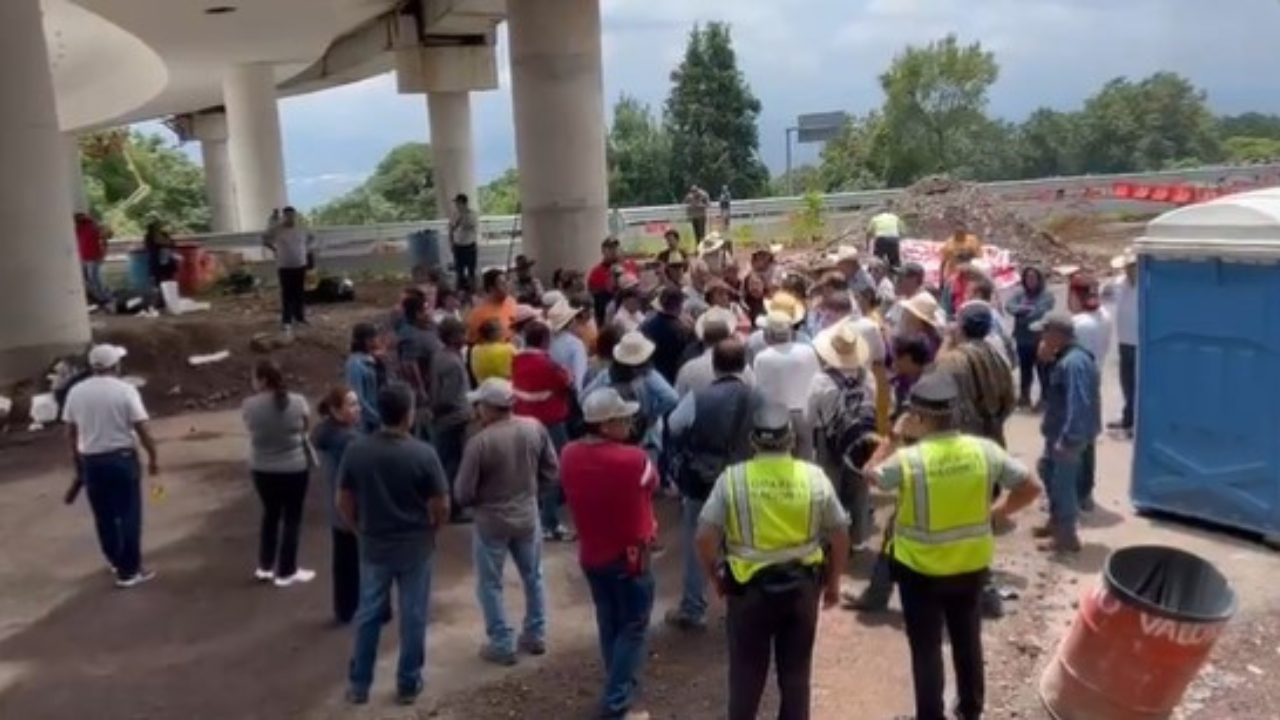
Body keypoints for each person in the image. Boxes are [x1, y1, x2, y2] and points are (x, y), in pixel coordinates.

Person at [863, 372, 1041, 720]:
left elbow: (870, 475)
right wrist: (997, 513)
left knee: (926, 649)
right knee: (967, 640)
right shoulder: (984, 451)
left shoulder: (909, 460)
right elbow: (1031, 486)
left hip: (919, 572)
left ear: (918, 417)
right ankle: (970, 711)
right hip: (970, 567)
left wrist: (892, 438)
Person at [696, 403, 851, 720]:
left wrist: (716, 576)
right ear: (791, 440)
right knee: (796, 675)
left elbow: (704, 536)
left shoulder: (732, 479)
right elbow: (839, 533)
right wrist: (833, 581)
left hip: (747, 592)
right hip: (802, 589)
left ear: (752, 441)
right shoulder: (814, 477)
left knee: (746, 676)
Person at [338, 384, 451, 706]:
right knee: (413, 614)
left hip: (374, 546)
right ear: (408, 414)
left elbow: (343, 499)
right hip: (415, 546)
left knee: (369, 613)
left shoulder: (357, 450)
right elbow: (442, 503)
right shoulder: (423, 453)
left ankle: (359, 685)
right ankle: (408, 682)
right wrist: (434, 529)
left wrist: (358, 529)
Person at [561, 388, 659, 720]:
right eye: (622, 418)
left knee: (610, 624)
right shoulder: (633, 459)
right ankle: (616, 704)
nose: (629, 423)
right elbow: (653, 482)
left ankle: (621, 694)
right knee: (633, 627)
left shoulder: (569, 454)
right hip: (630, 558)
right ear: (605, 425)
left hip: (592, 556)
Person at [456, 378, 557, 666]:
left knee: (490, 584)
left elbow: (463, 493)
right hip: (527, 514)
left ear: (489, 407)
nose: (477, 409)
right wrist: (532, 493)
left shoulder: (480, 442)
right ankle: (536, 634)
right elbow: (552, 470)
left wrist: (481, 502)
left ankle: (502, 642)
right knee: (533, 576)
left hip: (491, 521)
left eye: (479, 404)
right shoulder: (534, 427)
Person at [665, 338, 762, 631]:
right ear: (744, 366)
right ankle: (741, 607)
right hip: (746, 480)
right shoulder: (760, 397)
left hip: (704, 479)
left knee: (697, 541)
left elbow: (674, 425)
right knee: (743, 544)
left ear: (715, 365)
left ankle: (693, 608)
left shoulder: (698, 397)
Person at [63, 344, 160, 588]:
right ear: (115, 365)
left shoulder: (76, 392)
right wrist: (153, 457)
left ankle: (116, 561)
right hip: (122, 459)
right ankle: (129, 571)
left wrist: (77, 462)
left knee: (104, 516)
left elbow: (70, 431)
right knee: (129, 515)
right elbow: (142, 427)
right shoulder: (125, 390)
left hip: (92, 462)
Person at [241, 360, 315, 587]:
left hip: (262, 469)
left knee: (270, 515)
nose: (252, 382)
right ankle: (286, 571)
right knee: (292, 518)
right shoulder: (298, 401)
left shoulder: (248, 405)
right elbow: (305, 428)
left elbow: (250, 428)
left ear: (263, 380)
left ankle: (265, 567)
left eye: (254, 378)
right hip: (295, 467)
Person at [1032, 312, 1102, 550]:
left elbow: (1078, 402)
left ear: (1056, 334)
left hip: (1067, 435)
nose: (1041, 338)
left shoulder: (1073, 362)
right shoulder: (1067, 358)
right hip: (1058, 433)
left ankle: (1066, 537)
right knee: (1047, 470)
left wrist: (1070, 439)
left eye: (1044, 333)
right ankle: (1056, 523)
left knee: (1064, 485)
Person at [808, 319, 878, 546]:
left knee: (830, 490)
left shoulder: (821, 380)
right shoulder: (867, 377)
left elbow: (811, 415)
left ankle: (831, 540)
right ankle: (858, 539)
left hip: (829, 439)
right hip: (863, 438)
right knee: (859, 488)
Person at [512, 321, 576, 540]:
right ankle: (549, 523)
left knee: (530, 470)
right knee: (553, 471)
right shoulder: (549, 365)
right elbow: (568, 382)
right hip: (550, 424)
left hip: (522, 422)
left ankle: (532, 518)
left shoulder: (516, 360)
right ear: (545, 341)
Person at [312, 385, 363, 623]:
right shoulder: (348, 441)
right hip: (354, 509)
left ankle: (345, 608)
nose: (358, 409)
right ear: (335, 410)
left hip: (337, 509)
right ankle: (366, 606)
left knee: (344, 561)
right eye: (351, 404)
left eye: (357, 403)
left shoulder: (326, 433)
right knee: (361, 562)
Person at [934, 304, 1017, 448]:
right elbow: (1010, 399)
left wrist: (947, 339)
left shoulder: (955, 359)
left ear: (961, 327)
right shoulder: (996, 355)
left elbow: (936, 376)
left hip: (965, 441)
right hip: (992, 437)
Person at [753, 313, 821, 461]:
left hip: (776, 418)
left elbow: (758, 389)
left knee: (777, 460)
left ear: (769, 334)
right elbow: (817, 379)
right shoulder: (807, 351)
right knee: (805, 460)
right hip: (805, 414)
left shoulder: (762, 357)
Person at [430, 316, 474, 523]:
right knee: (453, 465)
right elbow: (447, 398)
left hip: (446, 419)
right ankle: (454, 509)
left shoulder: (441, 356)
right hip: (453, 420)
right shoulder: (452, 363)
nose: (466, 337)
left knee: (448, 462)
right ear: (452, 337)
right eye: (462, 333)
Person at [678, 309, 756, 396]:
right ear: (728, 337)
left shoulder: (688, 369)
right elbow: (753, 395)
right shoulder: (743, 369)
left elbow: (679, 397)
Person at [1007, 266, 1055, 409]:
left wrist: (1021, 313)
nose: (1030, 280)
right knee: (1025, 370)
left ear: (1039, 278)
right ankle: (1024, 397)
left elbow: (1040, 312)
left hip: (1040, 339)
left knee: (1043, 370)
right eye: (1027, 277)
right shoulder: (1019, 293)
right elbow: (1009, 306)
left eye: (1033, 277)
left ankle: (1045, 399)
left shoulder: (1047, 295)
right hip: (1022, 339)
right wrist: (1024, 310)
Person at [262, 206, 316, 330]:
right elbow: (264, 239)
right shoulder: (277, 229)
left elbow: (312, 238)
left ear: (295, 216)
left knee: (299, 292)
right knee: (287, 293)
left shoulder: (302, 228)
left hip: (300, 264)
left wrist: (306, 249)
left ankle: (300, 317)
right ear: (284, 216)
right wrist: (274, 249)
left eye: (292, 216)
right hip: (284, 265)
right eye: (287, 216)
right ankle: (286, 320)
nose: (290, 218)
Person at [1105, 250, 1138, 438]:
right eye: (1128, 266)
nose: (1131, 270)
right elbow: (1103, 296)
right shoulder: (1118, 284)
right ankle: (1128, 418)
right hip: (1124, 341)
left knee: (1140, 385)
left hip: (1142, 343)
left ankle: (1136, 424)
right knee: (1126, 382)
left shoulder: (1148, 284)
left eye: (1133, 266)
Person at [640, 286, 693, 386]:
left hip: (652, 376)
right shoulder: (681, 331)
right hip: (673, 377)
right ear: (680, 305)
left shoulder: (646, 326)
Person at [587, 237, 638, 326]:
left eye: (615, 248)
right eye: (610, 248)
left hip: (632, 314)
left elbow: (636, 288)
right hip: (609, 318)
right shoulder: (596, 272)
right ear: (603, 251)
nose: (613, 251)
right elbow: (596, 296)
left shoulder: (629, 265)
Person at [345, 323, 385, 434]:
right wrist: (378, 419)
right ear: (368, 341)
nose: (380, 339)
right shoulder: (355, 365)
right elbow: (358, 398)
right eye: (377, 337)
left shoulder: (371, 359)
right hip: (365, 425)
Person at [467, 268, 518, 345]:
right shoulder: (478, 314)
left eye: (506, 282)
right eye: (502, 283)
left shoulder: (512, 302)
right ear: (491, 288)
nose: (507, 286)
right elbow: (472, 343)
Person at [75, 212, 110, 305]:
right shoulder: (79, 228)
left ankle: (102, 297)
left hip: (93, 257)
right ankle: (98, 295)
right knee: (88, 278)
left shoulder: (93, 227)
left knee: (93, 278)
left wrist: (104, 254)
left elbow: (104, 239)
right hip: (84, 257)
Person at [471, 317, 517, 383]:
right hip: (506, 387)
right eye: (502, 329)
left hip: (484, 387)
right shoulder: (509, 349)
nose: (504, 332)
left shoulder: (475, 350)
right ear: (498, 333)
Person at [449, 193, 479, 292]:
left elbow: (469, 226)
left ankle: (472, 290)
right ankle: (460, 290)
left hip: (469, 246)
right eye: (456, 203)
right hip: (458, 246)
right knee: (459, 270)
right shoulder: (454, 214)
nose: (456, 205)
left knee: (471, 270)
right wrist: (451, 243)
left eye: (458, 203)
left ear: (463, 203)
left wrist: (462, 216)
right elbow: (451, 229)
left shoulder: (472, 215)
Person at [142, 219, 178, 293]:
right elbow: (150, 247)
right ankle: (159, 294)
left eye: (158, 227)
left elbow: (173, 244)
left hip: (167, 260)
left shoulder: (164, 234)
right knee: (157, 280)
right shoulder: (149, 237)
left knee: (169, 278)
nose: (158, 228)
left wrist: (166, 244)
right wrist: (163, 244)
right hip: (156, 262)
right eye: (156, 227)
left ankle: (169, 293)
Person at [866, 201, 903, 269]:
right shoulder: (895, 217)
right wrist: (897, 241)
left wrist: (867, 245)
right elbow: (901, 231)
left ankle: (872, 272)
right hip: (894, 239)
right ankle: (896, 271)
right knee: (895, 261)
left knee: (877, 259)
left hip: (881, 239)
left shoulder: (875, 219)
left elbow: (868, 233)